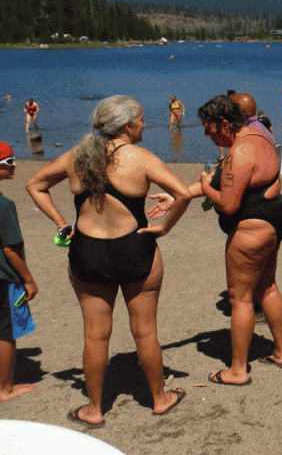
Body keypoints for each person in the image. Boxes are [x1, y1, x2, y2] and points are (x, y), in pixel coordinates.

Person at [26, 96, 191, 425]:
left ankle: (94, 409)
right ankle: (160, 399)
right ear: (127, 126)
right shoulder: (141, 158)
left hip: (87, 251)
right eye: (141, 119)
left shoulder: (77, 156)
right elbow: (183, 193)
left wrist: (62, 223)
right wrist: (163, 228)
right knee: (145, 331)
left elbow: (35, 185)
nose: (145, 124)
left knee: (95, 335)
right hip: (135, 248)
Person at [167, 96, 282, 385]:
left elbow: (227, 203)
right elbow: (233, 180)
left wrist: (205, 184)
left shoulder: (240, 151)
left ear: (225, 124)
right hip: (273, 217)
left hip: (253, 227)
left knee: (240, 298)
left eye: (209, 128)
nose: (206, 135)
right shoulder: (259, 134)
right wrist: (178, 195)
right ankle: (280, 353)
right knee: (266, 285)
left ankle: (237, 371)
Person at [1, 143, 40, 403]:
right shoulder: (4, 205)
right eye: (8, 161)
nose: (15, 164)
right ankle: (4, 388)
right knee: (5, 332)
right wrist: (28, 280)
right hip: (3, 278)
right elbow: (11, 249)